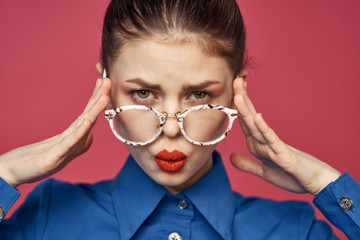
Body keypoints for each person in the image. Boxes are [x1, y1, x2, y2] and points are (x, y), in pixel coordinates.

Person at [0, 0, 359, 239]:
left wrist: (324, 183)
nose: (171, 127)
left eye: (199, 94)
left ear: (237, 92)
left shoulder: (294, 232)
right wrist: (4, 174)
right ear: (105, 89)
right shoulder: (46, 220)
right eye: (143, 93)